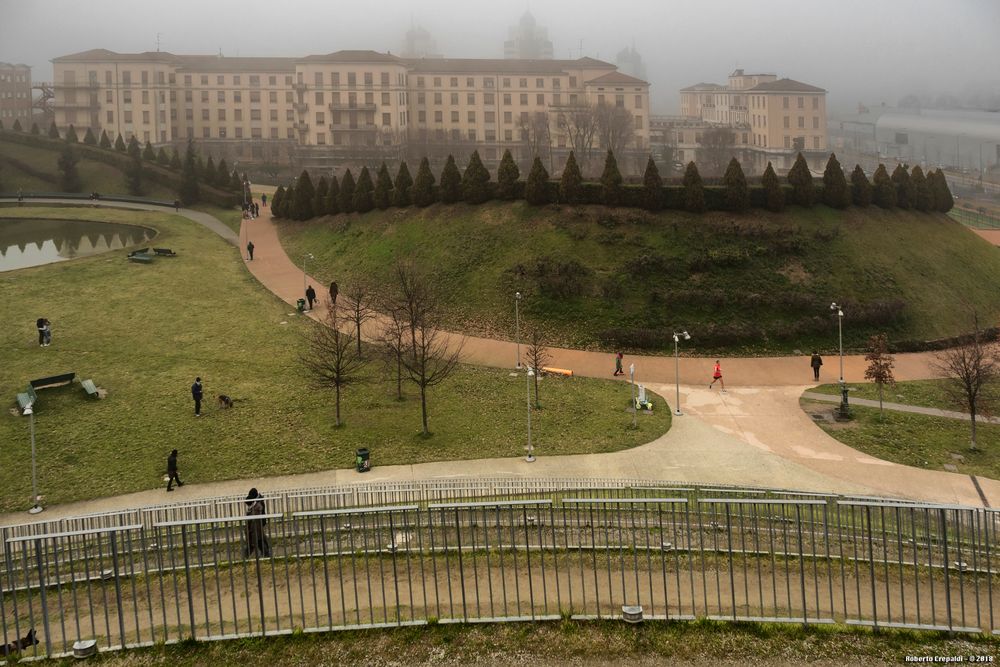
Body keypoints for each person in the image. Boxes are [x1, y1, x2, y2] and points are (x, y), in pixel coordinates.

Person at [244, 488, 271, 558]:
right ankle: (267, 554)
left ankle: (245, 558)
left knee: (255, 543)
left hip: (254, 529)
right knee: (260, 541)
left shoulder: (255, 508)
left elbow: (253, 522)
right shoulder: (257, 504)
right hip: (256, 528)